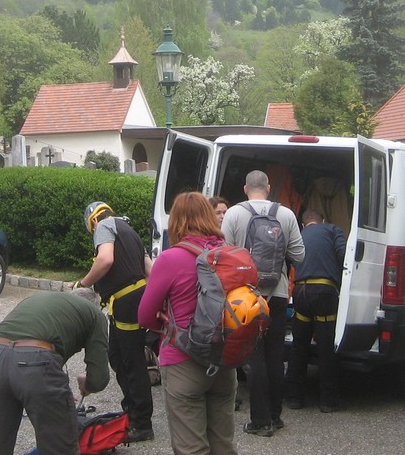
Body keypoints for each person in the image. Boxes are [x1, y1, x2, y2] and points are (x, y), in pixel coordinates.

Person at [138, 192, 237, 455]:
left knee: (191, 449)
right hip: (223, 360)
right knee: (223, 445)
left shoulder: (171, 258)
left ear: (177, 221)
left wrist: (163, 321)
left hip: (183, 361)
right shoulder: (228, 254)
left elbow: (144, 316)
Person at [221, 170, 304, 437]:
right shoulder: (287, 214)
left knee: (253, 356)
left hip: (245, 297)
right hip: (277, 294)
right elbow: (299, 255)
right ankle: (276, 416)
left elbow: (224, 255)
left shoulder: (234, 214)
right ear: (268, 188)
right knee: (275, 355)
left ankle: (260, 421)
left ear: (245, 189)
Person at [0, 290, 109, 455]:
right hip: (36, 360)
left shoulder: (41, 301)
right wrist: (88, 383)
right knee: (59, 446)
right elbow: (99, 379)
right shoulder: (95, 314)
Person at [76, 201, 154, 442]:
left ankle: (141, 423)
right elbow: (150, 269)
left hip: (126, 302)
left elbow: (106, 260)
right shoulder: (128, 230)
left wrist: (83, 284)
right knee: (117, 356)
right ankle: (131, 411)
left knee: (132, 362)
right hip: (132, 299)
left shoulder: (104, 226)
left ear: (92, 221)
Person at [284, 210, 345, 413]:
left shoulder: (299, 235)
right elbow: (343, 255)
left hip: (301, 291)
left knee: (299, 345)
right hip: (324, 290)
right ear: (323, 221)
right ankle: (328, 401)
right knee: (326, 346)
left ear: (303, 224)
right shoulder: (332, 229)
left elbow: (291, 259)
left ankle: (294, 398)